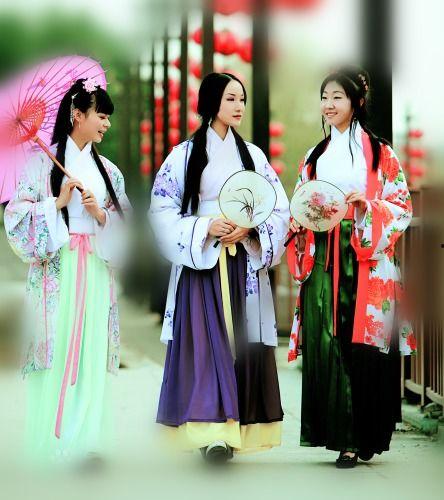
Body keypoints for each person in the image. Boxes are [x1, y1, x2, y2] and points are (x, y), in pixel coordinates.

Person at [150, 72, 289, 463]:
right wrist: (203, 227)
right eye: (231, 99)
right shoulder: (184, 155)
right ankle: (212, 433)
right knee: (206, 343)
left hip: (242, 261)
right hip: (203, 265)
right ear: (212, 102)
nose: (239, 106)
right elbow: (161, 210)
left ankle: (236, 429)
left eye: (242, 99)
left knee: (240, 345)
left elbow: (278, 208)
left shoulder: (254, 157)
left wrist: (251, 228)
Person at [287, 66, 415, 468]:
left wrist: (367, 208)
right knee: (328, 340)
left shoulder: (381, 154)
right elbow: (300, 204)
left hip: (364, 256)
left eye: (337, 97)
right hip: (324, 255)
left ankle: (360, 436)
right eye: (324, 97)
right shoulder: (314, 156)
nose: (328, 105)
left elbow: (401, 206)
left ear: (357, 102)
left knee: (363, 346)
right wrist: (301, 221)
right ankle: (338, 434)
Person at [4, 78, 130, 466]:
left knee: (90, 348)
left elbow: (125, 224)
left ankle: (87, 441)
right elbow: (16, 217)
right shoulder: (40, 165)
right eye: (101, 116)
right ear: (77, 115)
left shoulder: (109, 171)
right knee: (56, 349)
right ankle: (54, 438)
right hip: (56, 269)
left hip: (94, 267)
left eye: (107, 117)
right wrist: (56, 204)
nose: (106, 124)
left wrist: (100, 214)